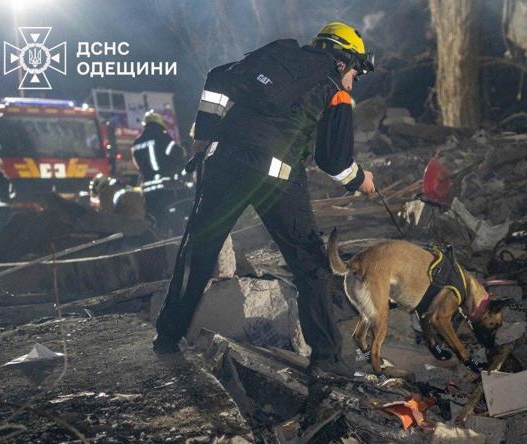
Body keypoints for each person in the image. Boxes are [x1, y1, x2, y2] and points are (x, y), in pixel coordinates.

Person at [153, 22, 376, 378]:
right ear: (343, 59)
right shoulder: (335, 90)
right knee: (310, 265)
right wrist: (360, 180)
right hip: (275, 178)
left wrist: (205, 133)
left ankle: (167, 336)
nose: (353, 80)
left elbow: (217, 79)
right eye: (355, 71)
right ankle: (328, 359)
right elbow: (334, 162)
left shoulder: (277, 54)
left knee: (198, 250)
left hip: (222, 162)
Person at [131, 110, 185, 183]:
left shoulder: (136, 143)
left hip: (146, 186)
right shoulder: (162, 137)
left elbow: (138, 165)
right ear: (160, 125)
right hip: (165, 184)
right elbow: (179, 153)